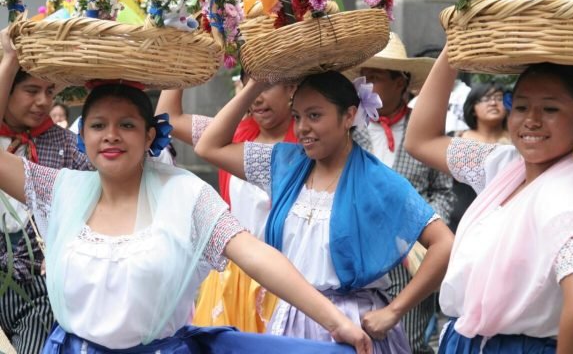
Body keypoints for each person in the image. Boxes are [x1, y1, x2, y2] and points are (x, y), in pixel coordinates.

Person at [0, 44, 371, 354]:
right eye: (98, 125)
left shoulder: (184, 193)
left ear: (149, 136)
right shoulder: (61, 189)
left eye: (127, 125)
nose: (111, 136)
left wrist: (335, 320)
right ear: (83, 137)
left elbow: (254, 255)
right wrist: (9, 60)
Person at [196, 70, 454, 353]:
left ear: (348, 116)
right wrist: (257, 82)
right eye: (297, 116)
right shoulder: (284, 163)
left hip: (352, 326)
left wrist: (395, 311)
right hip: (290, 317)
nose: (302, 127)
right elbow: (209, 146)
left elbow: (444, 243)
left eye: (314, 116)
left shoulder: (377, 181)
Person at [404, 44, 573, 353]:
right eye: (521, 106)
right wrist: (453, 50)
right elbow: (420, 140)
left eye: (550, 109)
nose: (531, 120)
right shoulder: (507, 165)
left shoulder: (569, 196)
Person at [155, 72, 296, 332]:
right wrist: (181, 55)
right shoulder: (230, 137)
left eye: (267, 84)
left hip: (285, 277)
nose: (257, 97)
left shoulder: (309, 148)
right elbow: (167, 118)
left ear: (292, 87)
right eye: (248, 83)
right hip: (231, 277)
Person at [352, 33, 454, 354]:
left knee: (407, 340)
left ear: (402, 83)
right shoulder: (347, 127)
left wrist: (418, 232)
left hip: (414, 261)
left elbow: (444, 192)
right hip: (358, 257)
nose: (366, 85)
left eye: (377, 77)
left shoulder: (426, 131)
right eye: (363, 76)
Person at [0, 35, 93, 353]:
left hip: (40, 291)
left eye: (50, 91)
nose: (43, 101)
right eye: (31, 90)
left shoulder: (65, 144)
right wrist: (10, 61)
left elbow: (98, 200)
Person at [447, 83, 511, 232]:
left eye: (499, 98)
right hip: (459, 223)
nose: (493, 103)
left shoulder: (520, 142)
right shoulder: (455, 140)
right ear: (473, 107)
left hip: (506, 224)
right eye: (486, 98)